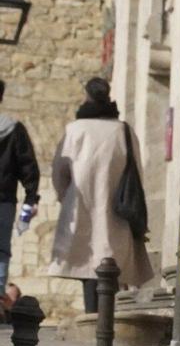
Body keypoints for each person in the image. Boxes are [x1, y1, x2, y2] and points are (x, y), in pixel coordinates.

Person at [49, 77, 154, 312]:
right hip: (117, 207)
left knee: (87, 263)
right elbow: (137, 170)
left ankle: (92, 316)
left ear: (87, 96)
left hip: (81, 204)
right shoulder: (123, 131)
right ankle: (105, 319)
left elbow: (59, 171)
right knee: (110, 263)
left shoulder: (75, 130)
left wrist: (64, 197)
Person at [0, 80, 41, 293]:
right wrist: (31, 199)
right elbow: (28, 168)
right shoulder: (14, 129)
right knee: (1, 253)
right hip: (4, 201)